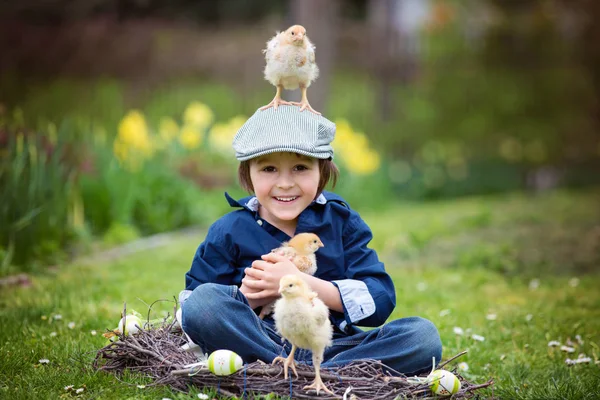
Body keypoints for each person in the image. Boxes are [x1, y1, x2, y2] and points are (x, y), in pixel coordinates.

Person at [180, 105, 442, 375]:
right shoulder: (229, 230)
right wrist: (248, 298)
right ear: (248, 173)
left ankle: (303, 372)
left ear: (322, 170)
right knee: (204, 304)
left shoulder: (341, 222)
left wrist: (301, 281)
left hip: (334, 344)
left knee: (422, 337)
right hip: (260, 338)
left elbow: (380, 298)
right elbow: (194, 308)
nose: (284, 183)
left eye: (300, 168)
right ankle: (313, 373)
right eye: (269, 168)